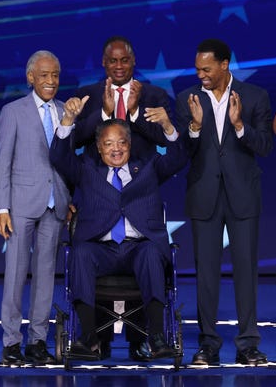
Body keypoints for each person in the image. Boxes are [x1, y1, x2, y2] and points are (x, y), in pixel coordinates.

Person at [66, 35, 175, 360]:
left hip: (138, 191)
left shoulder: (155, 95)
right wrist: (103, 113)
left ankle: (144, 340)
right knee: (89, 254)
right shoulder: (88, 95)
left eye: (124, 60)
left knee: (144, 254)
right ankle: (94, 339)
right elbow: (75, 140)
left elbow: (165, 141)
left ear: (133, 62)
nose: (118, 66)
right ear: (103, 63)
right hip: (98, 193)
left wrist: (136, 111)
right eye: (112, 61)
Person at [49, 118, 187, 361]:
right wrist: (67, 122)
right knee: (80, 253)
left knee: (151, 253)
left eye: (121, 142)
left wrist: (168, 126)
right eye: (108, 143)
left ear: (130, 144)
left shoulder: (148, 167)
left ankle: (156, 337)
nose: (116, 149)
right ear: (99, 147)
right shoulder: (86, 169)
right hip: (100, 249)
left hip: (138, 247)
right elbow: (59, 157)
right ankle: (89, 338)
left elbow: (178, 157)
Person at [175, 38, 273, 366]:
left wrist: (240, 126)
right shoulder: (186, 99)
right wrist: (194, 127)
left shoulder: (255, 97)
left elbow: (265, 146)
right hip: (204, 196)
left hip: (243, 196)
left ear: (224, 65)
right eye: (197, 68)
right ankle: (208, 345)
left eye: (206, 68)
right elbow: (181, 153)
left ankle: (248, 345)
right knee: (206, 275)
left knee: (246, 273)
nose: (200, 74)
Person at [0, 50, 87, 366]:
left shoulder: (65, 111)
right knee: (16, 274)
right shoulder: (13, 111)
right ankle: (11, 343)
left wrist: (69, 197)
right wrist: (2, 207)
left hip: (55, 204)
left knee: (46, 277)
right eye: (44, 75)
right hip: (20, 205)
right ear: (31, 77)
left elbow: (67, 162)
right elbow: (2, 162)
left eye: (55, 75)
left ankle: (36, 342)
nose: (51, 81)